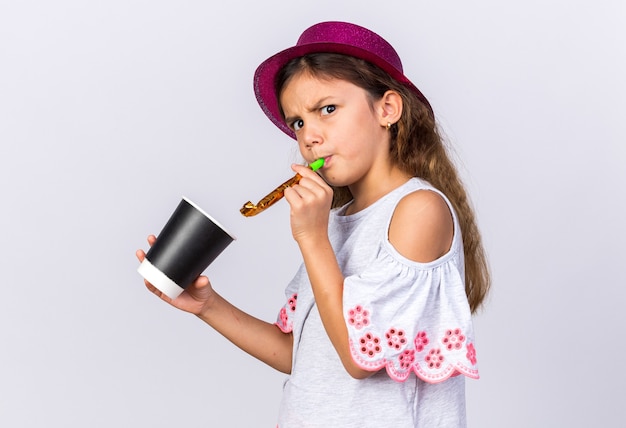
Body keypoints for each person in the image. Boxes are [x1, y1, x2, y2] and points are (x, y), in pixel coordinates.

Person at [137, 21, 490, 427]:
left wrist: (311, 236)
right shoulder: (337, 221)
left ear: (387, 109)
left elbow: (359, 358)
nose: (309, 137)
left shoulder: (420, 209)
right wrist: (207, 306)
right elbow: (298, 353)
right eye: (298, 123)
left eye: (327, 109)